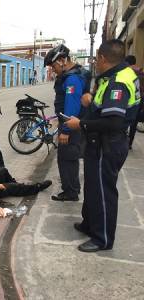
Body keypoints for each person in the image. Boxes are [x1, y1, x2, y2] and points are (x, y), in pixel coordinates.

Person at [65, 39, 141, 252]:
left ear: (102, 58)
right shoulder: (111, 77)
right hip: (99, 143)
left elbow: (113, 121)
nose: (95, 63)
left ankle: (103, 238)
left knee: (103, 191)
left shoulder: (118, 81)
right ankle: (90, 224)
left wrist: (80, 123)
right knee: (92, 186)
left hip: (108, 144)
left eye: (96, 58)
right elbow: (105, 106)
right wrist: (91, 100)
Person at [44, 44, 90, 202]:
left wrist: (65, 130)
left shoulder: (72, 78)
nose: (52, 69)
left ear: (63, 60)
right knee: (68, 158)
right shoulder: (72, 75)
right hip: (71, 126)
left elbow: (72, 107)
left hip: (71, 128)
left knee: (67, 159)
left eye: (53, 65)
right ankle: (72, 189)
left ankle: (70, 192)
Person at [125, 55, 144, 149]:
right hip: (139, 100)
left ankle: (124, 140)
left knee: (124, 120)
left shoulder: (127, 72)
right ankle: (130, 143)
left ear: (127, 63)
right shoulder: (141, 72)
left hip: (128, 100)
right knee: (134, 123)